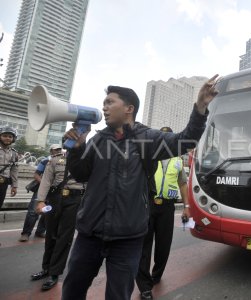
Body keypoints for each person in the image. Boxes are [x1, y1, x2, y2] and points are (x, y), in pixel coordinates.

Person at [61, 74, 219, 300]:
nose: (104, 108)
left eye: (109, 102)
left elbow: (186, 140)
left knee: (118, 295)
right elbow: (81, 174)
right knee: (72, 290)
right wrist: (76, 149)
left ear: (129, 108)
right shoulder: (97, 140)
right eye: (103, 103)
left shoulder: (149, 138)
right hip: (89, 235)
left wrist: (201, 106)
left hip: (127, 239)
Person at [136, 126, 190, 300]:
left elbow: (183, 184)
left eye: (167, 136)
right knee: (144, 245)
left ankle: (156, 276)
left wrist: (187, 207)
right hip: (148, 204)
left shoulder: (178, 161)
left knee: (163, 245)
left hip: (167, 207)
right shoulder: (149, 156)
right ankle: (144, 285)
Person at [30, 144, 85, 291]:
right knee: (50, 235)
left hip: (75, 200)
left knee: (64, 238)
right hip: (54, 198)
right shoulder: (55, 160)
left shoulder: (86, 159)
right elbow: (46, 180)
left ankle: (54, 273)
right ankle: (46, 268)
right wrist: (40, 201)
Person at [18, 147, 57, 242]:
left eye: (60, 150)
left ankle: (40, 231)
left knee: (47, 212)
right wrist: (46, 184)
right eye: (56, 150)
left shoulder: (62, 162)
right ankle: (26, 233)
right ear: (51, 151)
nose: (58, 152)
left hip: (54, 192)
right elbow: (36, 175)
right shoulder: (45, 161)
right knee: (33, 211)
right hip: (41, 189)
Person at [0, 126, 18, 210]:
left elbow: (14, 170)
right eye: (5, 136)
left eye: (10, 137)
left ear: (13, 139)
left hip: (3, 184)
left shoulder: (14, 153)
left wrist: (14, 186)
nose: (7, 138)